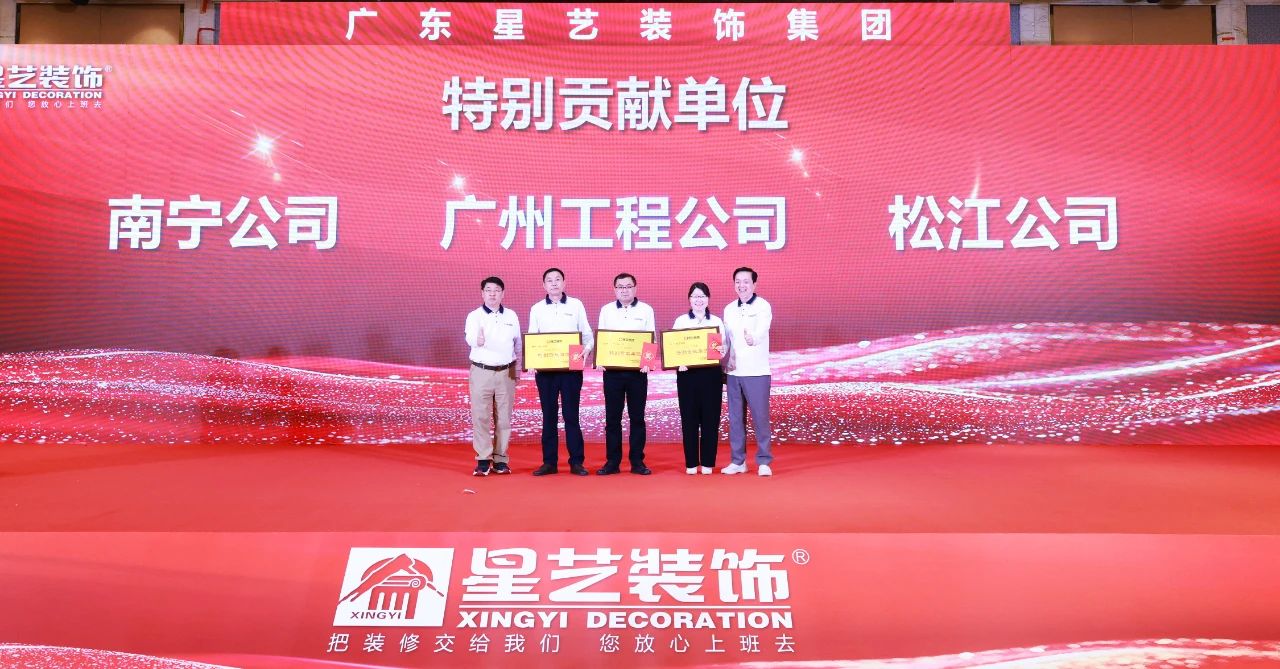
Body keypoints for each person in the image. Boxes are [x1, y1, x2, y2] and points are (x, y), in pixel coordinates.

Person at [528, 267, 594, 476]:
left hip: (571, 370)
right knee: (548, 416)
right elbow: (532, 336)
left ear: (564, 283)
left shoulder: (576, 305)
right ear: (544, 285)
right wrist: (532, 359)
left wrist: (586, 351)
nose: (554, 283)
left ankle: (577, 462)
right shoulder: (537, 308)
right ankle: (549, 463)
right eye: (550, 280)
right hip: (546, 371)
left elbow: (587, 335)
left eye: (558, 279)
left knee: (571, 415)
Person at [596, 273, 656, 475]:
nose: (624, 290)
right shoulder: (606, 310)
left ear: (635, 288)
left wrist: (648, 362)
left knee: (637, 418)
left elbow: (651, 339)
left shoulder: (646, 309)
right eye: (620, 287)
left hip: (637, 373)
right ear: (614, 289)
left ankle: (637, 462)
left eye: (628, 286)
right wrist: (600, 359)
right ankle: (612, 462)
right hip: (612, 373)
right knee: (612, 419)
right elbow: (602, 338)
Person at [464, 277, 521, 476]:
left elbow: (517, 344)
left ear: (502, 293)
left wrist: (517, 370)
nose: (492, 294)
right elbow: (470, 338)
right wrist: (478, 340)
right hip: (481, 371)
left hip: (507, 372)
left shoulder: (511, 315)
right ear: (482, 293)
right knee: (480, 416)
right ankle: (482, 459)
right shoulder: (474, 316)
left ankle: (500, 460)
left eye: (496, 290)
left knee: (504, 418)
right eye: (488, 290)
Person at [721, 267, 774, 476]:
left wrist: (754, 338)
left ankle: (764, 461)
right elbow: (725, 339)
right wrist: (719, 351)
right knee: (735, 419)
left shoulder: (763, 306)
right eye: (737, 281)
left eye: (746, 281)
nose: (741, 285)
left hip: (757, 371)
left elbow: (762, 330)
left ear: (754, 284)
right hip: (734, 372)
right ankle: (738, 461)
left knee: (760, 417)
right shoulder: (729, 309)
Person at [672, 282, 726, 475]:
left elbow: (724, 347)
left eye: (702, 296)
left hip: (711, 374)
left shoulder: (717, 321)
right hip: (687, 375)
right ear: (689, 299)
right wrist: (678, 361)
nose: (698, 300)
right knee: (689, 419)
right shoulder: (680, 321)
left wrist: (721, 350)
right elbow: (673, 348)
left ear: (708, 299)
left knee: (711, 419)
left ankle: (708, 463)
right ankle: (691, 463)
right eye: (695, 296)